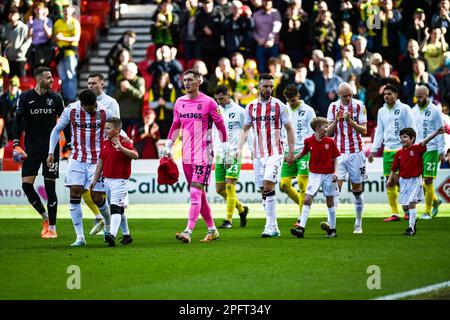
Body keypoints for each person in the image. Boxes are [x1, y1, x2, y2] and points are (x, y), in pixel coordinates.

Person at [162, 69, 228, 243]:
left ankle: (188, 231)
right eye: (184, 80)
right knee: (199, 194)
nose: (186, 83)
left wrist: (226, 148)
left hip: (204, 154)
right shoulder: (179, 102)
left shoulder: (209, 102)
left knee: (195, 190)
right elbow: (175, 125)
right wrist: (168, 145)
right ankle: (212, 230)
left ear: (199, 81)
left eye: (190, 80)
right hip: (186, 156)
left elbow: (221, 126)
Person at [47, 90, 115, 246]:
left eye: (94, 107)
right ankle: (80, 238)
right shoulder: (71, 110)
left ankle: (109, 225)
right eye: (89, 108)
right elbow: (56, 130)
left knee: (97, 197)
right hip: (77, 158)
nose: (93, 110)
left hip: (98, 159)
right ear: (82, 105)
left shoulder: (105, 112)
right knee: (75, 192)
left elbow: (116, 131)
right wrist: (51, 152)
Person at [236, 73, 295, 238]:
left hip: (275, 152)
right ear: (259, 86)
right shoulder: (251, 107)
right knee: (264, 190)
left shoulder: (279, 106)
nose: (269, 89)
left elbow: (289, 129)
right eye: (265, 86)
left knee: (268, 186)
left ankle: (269, 226)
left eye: (271, 86)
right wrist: (239, 148)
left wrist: (291, 151)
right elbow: (245, 129)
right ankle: (274, 226)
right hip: (258, 154)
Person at [12, 66, 65, 239]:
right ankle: (45, 218)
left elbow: (64, 123)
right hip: (32, 148)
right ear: (39, 79)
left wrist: (71, 144)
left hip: (51, 149)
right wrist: (16, 144)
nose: (52, 80)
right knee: (26, 186)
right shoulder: (26, 97)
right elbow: (18, 121)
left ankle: (53, 228)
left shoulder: (56, 98)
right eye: (48, 77)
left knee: (50, 188)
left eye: (52, 77)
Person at [368, 84, 416, 222]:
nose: (386, 96)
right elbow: (379, 132)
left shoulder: (405, 109)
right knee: (389, 182)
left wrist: (412, 147)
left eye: (389, 93)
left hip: (402, 150)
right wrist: (373, 150)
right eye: (384, 94)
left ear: (396, 95)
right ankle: (395, 213)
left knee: (402, 182)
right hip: (388, 150)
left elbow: (412, 128)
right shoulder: (381, 111)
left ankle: (407, 210)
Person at [386, 126, 444, 236]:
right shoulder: (399, 153)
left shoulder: (417, 149)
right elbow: (394, 169)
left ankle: (411, 228)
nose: (402, 139)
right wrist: (389, 180)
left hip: (415, 180)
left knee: (412, 203)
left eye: (405, 137)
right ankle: (413, 219)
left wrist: (436, 133)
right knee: (405, 207)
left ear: (412, 139)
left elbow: (425, 141)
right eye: (401, 137)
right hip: (403, 181)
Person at [91, 117, 139, 247]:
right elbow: (101, 161)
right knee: (119, 209)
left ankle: (111, 234)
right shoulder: (105, 143)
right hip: (107, 180)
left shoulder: (124, 142)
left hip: (120, 181)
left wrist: (121, 148)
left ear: (117, 129)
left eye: (108, 128)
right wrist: (95, 179)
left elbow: (136, 155)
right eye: (105, 128)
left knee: (115, 208)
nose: (105, 130)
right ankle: (127, 235)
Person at [327, 82, 367, 234]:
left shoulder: (359, 106)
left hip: (356, 152)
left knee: (357, 188)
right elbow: (328, 132)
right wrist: (337, 120)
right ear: (339, 95)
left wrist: (350, 122)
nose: (349, 98)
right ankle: (331, 225)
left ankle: (358, 224)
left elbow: (364, 131)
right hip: (338, 153)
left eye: (351, 95)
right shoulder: (332, 107)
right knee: (335, 188)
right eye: (345, 96)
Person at [290, 117, 340, 239]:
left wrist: (336, 173)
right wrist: (292, 158)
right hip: (314, 175)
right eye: (326, 126)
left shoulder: (330, 142)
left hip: (328, 175)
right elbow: (303, 153)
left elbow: (336, 159)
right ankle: (301, 228)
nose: (328, 129)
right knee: (307, 199)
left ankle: (332, 230)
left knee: (330, 202)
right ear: (318, 129)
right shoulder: (308, 141)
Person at [85, 73, 121, 235]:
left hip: (105, 151)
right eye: (89, 83)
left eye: (94, 83)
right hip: (88, 152)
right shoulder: (83, 103)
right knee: (89, 189)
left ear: (102, 84)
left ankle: (116, 227)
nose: (91, 86)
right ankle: (104, 220)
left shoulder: (110, 102)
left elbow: (116, 126)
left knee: (110, 192)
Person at [213, 85, 249, 229]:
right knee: (219, 189)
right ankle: (241, 209)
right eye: (217, 99)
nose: (219, 101)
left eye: (221, 98)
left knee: (229, 185)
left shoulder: (240, 111)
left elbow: (246, 131)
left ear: (229, 94)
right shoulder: (216, 110)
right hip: (221, 153)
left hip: (234, 152)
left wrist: (240, 149)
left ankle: (228, 220)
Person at [279, 84, 315, 228]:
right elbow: (281, 131)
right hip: (288, 152)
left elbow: (313, 132)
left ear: (299, 96)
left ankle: (301, 218)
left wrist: (306, 150)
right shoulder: (284, 109)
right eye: (289, 100)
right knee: (284, 185)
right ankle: (304, 204)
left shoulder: (308, 110)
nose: (291, 103)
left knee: (302, 183)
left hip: (304, 151)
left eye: (293, 100)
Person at [412, 86, 445, 219]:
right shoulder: (413, 111)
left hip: (431, 149)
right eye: (416, 96)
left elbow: (440, 131)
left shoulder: (435, 111)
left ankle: (427, 211)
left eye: (420, 97)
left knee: (428, 180)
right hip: (418, 149)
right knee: (419, 182)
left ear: (427, 96)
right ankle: (435, 200)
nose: (418, 99)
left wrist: (442, 150)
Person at [53, 3, 80, 103]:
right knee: (63, 76)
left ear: (72, 11)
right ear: (62, 11)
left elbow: (76, 38)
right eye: (64, 10)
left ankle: (72, 98)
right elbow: (54, 38)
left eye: (68, 10)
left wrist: (62, 38)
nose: (66, 12)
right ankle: (65, 98)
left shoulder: (75, 23)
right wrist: (56, 38)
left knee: (70, 75)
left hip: (70, 52)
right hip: (60, 52)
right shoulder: (58, 23)